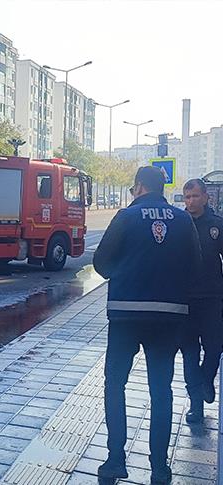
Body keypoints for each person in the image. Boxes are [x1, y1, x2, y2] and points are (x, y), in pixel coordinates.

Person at [93, 166, 202, 484]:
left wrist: (126, 273)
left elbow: (101, 263)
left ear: (139, 187)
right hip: (168, 318)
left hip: (126, 316)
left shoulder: (125, 217)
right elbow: (195, 266)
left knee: (115, 385)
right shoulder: (183, 220)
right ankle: (159, 467)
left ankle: (115, 460)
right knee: (161, 391)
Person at [180, 178, 223, 423]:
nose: (191, 201)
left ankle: (207, 380)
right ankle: (196, 404)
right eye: (187, 197)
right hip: (185, 300)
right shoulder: (179, 224)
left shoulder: (217, 225)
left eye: (195, 196)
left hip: (212, 298)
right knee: (189, 353)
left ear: (206, 197)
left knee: (215, 347)